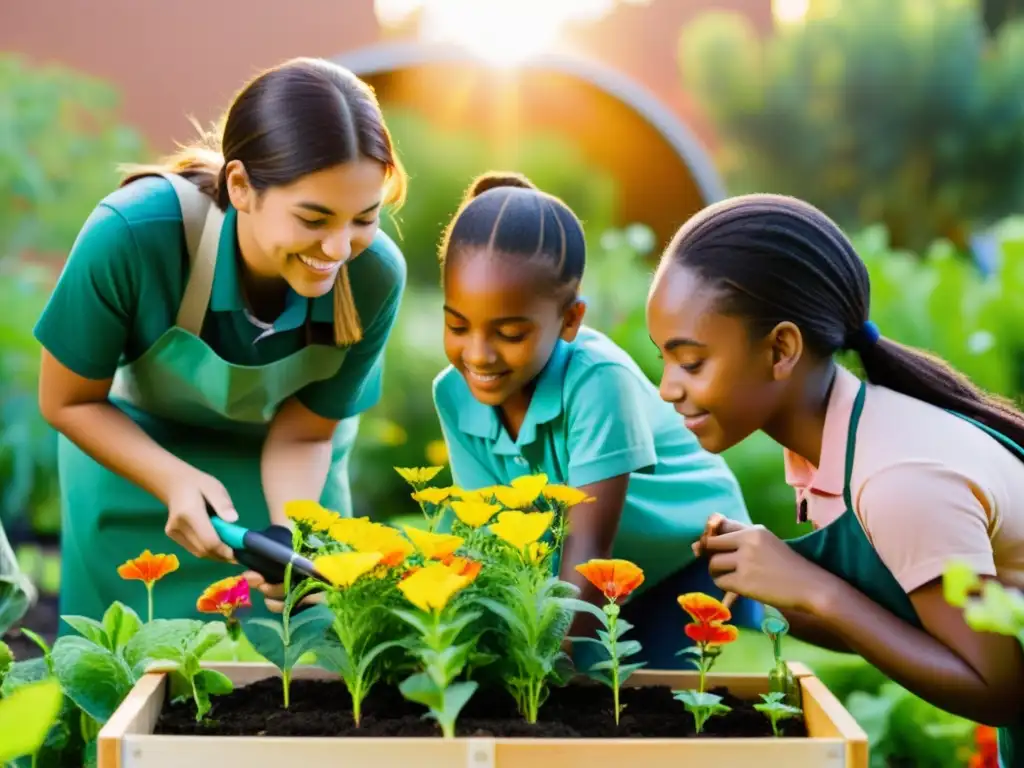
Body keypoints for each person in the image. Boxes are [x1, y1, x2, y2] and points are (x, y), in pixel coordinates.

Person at [646, 193, 1024, 764]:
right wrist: (767, 588)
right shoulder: (834, 444)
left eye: (691, 362)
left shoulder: (899, 479)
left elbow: (1000, 690)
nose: (667, 388)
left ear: (781, 348)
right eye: (663, 361)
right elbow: (893, 622)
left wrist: (813, 588)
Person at [34, 57, 408, 626]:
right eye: (313, 219)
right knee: (122, 674)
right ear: (240, 186)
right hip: (136, 466)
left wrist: (287, 536)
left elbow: (306, 432)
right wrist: (172, 478)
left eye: (364, 218)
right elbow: (67, 400)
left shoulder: (374, 273)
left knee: (312, 666)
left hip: (290, 473)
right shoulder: (132, 235)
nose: (338, 249)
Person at [430, 171, 760, 670]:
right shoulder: (454, 394)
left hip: (687, 555)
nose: (478, 354)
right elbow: (486, 536)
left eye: (511, 333)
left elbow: (588, 552)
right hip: (597, 569)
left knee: (643, 709)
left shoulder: (597, 380)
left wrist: (549, 670)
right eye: (457, 325)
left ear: (570, 320)